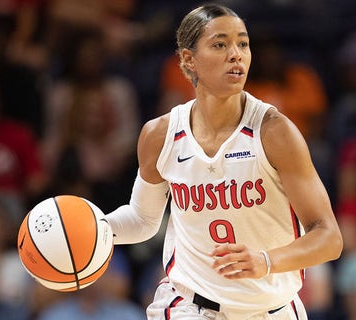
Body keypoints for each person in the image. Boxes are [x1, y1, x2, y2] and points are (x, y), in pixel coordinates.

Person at [104, 4, 342, 320]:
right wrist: (97, 227)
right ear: (189, 60)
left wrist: (266, 261)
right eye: (220, 44)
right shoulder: (159, 135)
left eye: (242, 43)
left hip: (273, 310)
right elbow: (142, 220)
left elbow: (329, 238)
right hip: (191, 307)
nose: (236, 54)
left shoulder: (275, 131)